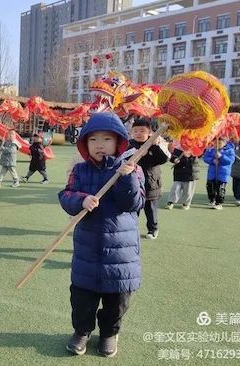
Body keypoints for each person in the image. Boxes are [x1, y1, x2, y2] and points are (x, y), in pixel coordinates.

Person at [59, 112, 145, 358]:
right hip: (88, 249)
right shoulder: (80, 170)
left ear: (119, 142)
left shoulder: (131, 169)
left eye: (106, 139)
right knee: (82, 298)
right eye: (93, 139)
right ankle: (82, 331)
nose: (99, 144)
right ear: (84, 143)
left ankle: (109, 333)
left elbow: (134, 204)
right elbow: (66, 196)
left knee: (117, 301)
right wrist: (81, 200)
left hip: (122, 252)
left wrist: (127, 178)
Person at [129, 118, 169, 239]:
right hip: (133, 184)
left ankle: (153, 229)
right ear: (131, 133)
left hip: (151, 184)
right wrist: (138, 153)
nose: (139, 134)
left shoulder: (153, 145)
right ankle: (131, 229)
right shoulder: (130, 145)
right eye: (135, 131)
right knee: (132, 209)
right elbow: (124, 159)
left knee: (150, 209)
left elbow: (163, 159)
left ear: (149, 133)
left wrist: (153, 147)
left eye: (142, 131)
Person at [203, 137, 235, 210]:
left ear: (224, 143)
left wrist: (221, 157)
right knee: (210, 187)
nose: (217, 145)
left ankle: (219, 203)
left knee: (220, 189)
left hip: (223, 174)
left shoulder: (229, 150)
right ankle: (212, 200)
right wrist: (212, 160)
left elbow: (230, 160)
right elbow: (205, 158)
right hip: (212, 173)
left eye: (219, 143)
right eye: (215, 143)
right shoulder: (211, 150)